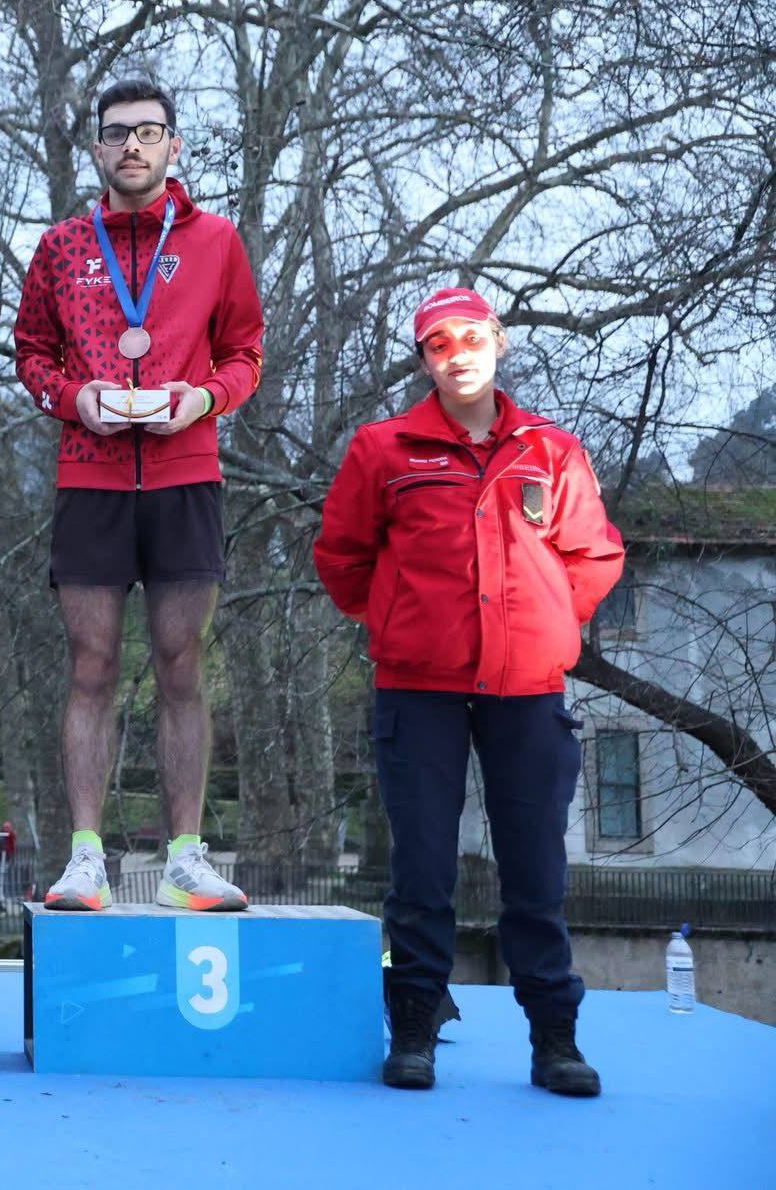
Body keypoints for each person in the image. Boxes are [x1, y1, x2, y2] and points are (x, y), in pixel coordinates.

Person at [314, 287, 623, 1097]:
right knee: (420, 869)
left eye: (472, 338)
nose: (458, 354)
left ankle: (555, 1038)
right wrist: (402, 619)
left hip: (527, 690)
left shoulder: (552, 450)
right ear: (425, 360)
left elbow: (594, 558)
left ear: (499, 342)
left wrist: (545, 622)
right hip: (419, 691)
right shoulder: (384, 449)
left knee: (536, 872)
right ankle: (415, 1025)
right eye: (439, 343)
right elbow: (341, 558)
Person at [12, 79, 264, 911]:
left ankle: (185, 857)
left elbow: (246, 350)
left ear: (174, 146)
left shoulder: (216, 241)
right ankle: (86, 856)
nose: (132, 146)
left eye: (148, 132)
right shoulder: (61, 246)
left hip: (186, 473)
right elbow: (30, 350)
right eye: (117, 133)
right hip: (90, 475)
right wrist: (69, 396)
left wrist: (206, 399)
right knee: (91, 664)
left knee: (182, 662)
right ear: (96, 149)